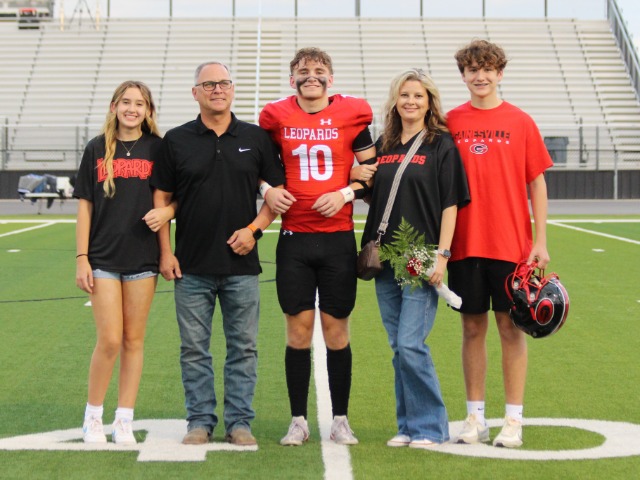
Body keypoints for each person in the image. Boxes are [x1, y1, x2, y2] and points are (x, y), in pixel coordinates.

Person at [150, 61, 285, 447]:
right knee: (194, 349)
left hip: (242, 266)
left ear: (233, 89)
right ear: (195, 93)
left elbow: (276, 196)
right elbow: (162, 198)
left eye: (223, 83)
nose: (217, 90)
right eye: (208, 84)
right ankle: (200, 421)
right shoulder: (176, 140)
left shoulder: (256, 138)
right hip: (191, 266)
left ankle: (239, 422)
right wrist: (165, 253)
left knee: (243, 348)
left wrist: (254, 230)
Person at [259, 47, 377, 446]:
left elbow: (371, 173)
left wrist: (344, 193)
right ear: (292, 78)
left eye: (319, 69)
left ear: (331, 77)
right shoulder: (275, 116)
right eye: (303, 70)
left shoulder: (352, 113)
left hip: (337, 239)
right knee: (297, 332)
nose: (312, 76)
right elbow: (258, 164)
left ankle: (340, 419)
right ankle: (298, 420)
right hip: (294, 239)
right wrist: (267, 188)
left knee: (336, 331)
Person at [446, 39, 553, 448]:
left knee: (511, 328)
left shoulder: (521, 121)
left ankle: (513, 420)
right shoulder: (451, 121)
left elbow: (537, 183)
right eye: (472, 69)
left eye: (487, 69)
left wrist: (540, 240)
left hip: (511, 246)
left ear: (500, 73)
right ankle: (475, 417)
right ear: (463, 75)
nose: (480, 76)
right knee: (472, 328)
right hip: (464, 244)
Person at [361, 68, 469, 449]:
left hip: (420, 257)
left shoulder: (441, 145)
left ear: (429, 103)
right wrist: (358, 174)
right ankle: (407, 425)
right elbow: (372, 190)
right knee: (399, 347)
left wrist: (442, 255)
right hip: (385, 255)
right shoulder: (385, 142)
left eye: (418, 96)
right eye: (404, 95)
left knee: (410, 344)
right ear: (395, 101)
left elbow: (451, 203)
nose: (410, 101)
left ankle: (430, 428)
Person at [75, 80, 172, 444]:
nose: (132, 109)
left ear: (148, 111)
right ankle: (93, 416)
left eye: (139, 103)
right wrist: (81, 258)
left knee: (134, 340)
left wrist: (167, 218)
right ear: (114, 106)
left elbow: (173, 198)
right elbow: (85, 207)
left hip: (143, 258)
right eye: (126, 102)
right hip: (102, 257)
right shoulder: (96, 147)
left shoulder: (158, 148)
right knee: (110, 339)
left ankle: (124, 420)